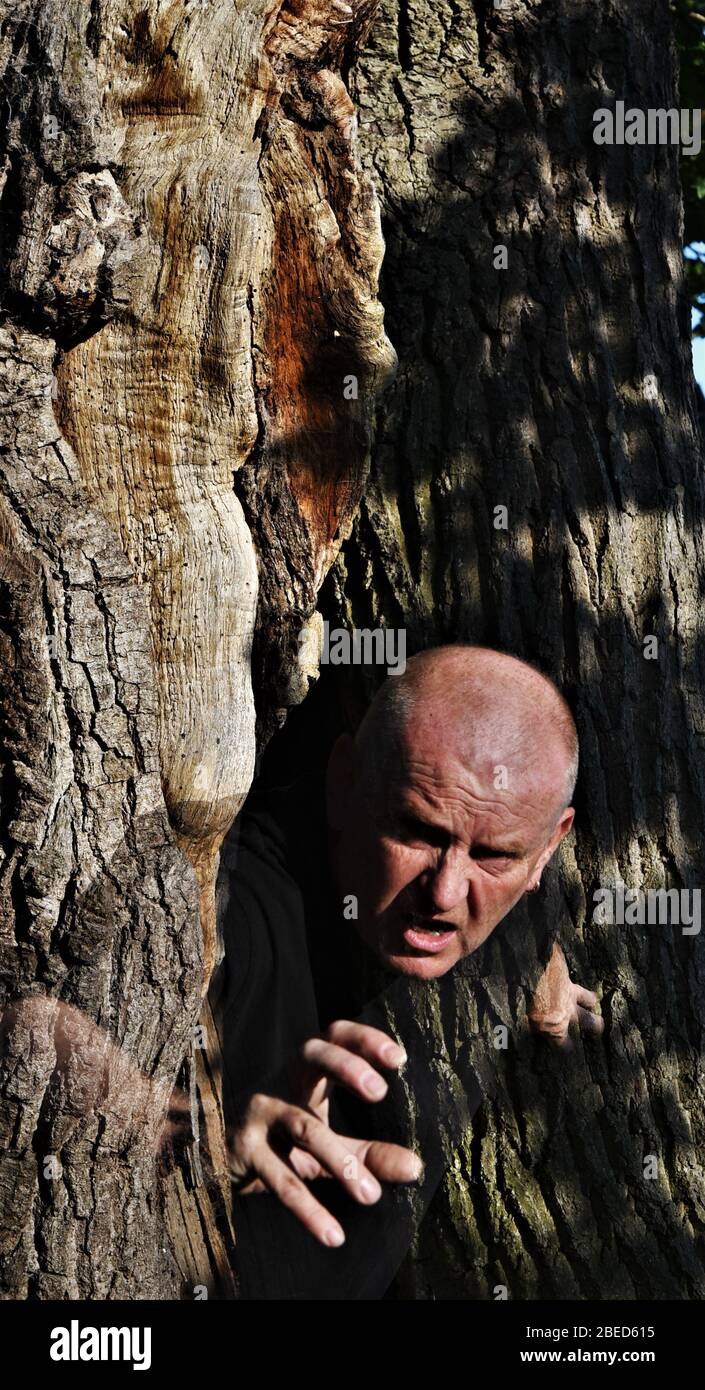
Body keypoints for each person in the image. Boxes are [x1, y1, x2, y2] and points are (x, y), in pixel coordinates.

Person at [215, 644, 603, 1297]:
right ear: (343, 786)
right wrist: (199, 1138)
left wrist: (546, 970)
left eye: (492, 855)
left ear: (546, 850)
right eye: (417, 833)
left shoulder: (519, 913)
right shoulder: (230, 913)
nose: (445, 893)